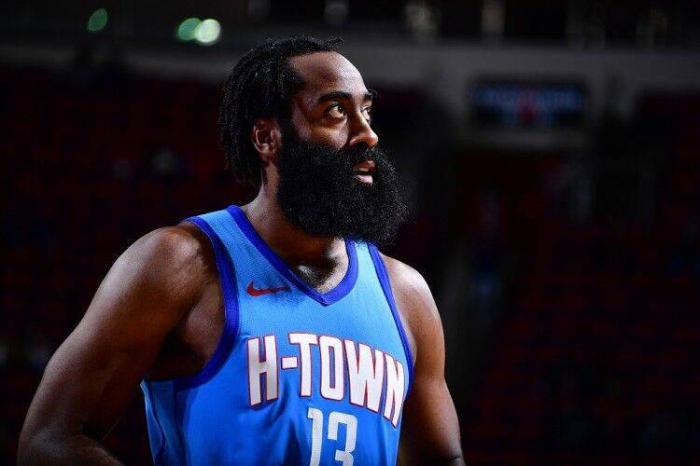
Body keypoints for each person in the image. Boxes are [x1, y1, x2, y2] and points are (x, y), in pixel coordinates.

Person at [18, 36, 464, 465]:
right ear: (267, 138)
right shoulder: (180, 263)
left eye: (366, 112)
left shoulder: (406, 294)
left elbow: (442, 457)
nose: (367, 135)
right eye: (335, 111)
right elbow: (49, 440)